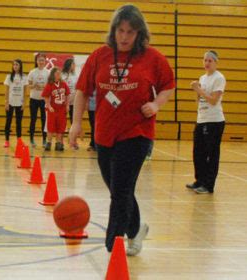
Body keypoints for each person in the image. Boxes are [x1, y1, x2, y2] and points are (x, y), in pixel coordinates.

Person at [69, 4, 175, 255]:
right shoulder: (99, 56)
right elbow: (83, 90)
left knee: (121, 190)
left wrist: (155, 104)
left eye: (131, 32)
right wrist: (75, 123)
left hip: (137, 133)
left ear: (140, 34)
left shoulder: (152, 58)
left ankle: (113, 243)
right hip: (105, 133)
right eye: (121, 30)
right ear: (114, 30)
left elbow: (168, 85)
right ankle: (137, 228)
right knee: (117, 187)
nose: (125, 37)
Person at [186, 50, 226, 194]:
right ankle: (199, 180)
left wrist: (199, 90)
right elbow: (199, 101)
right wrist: (197, 91)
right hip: (201, 119)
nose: (207, 63)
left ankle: (209, 185)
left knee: (211, 153)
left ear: (215, 62)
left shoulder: (219, 78)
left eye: (210, 60)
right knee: (198, 152)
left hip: (214, 121)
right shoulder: (202, 78)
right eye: (205, 60)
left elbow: (214, 101)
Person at [42, 67, 70, 152]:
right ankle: (48, 142)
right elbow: (46, 96)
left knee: (60, 127)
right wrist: (49, 106)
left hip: (61, 109)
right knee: (50, 126)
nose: (59, 75)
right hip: (52, 109)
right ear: (53, 75)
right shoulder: (49, 84)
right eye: (57, 73)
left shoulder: (63, 84)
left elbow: (67, 94)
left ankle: (58, 143)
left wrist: (67, 105)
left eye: (59, 73)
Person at [3, 59, 28, 148]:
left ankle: (19, 140)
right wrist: (6, 102)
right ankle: (6, 140)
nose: (15, 66)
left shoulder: (24, 77)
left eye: (17, 65)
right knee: (8, 121)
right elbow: (6, 90)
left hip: (19, 102)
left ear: (20, 66)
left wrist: (24, 102)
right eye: (14, 65)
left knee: (19, 122)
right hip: (10, 102)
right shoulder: (9, 76)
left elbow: (25, 91)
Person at [28, 53, 49, 147]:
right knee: (33, 119)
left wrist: (45, 87)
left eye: (42, 60)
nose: (41, 62)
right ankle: (31, 139)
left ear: (45, 62)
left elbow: (50, 86)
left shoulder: (48, 72)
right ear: (36, 61)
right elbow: (28, 86)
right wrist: (34, 86)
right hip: (33, 99)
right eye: (39, 60)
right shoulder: (32, 72)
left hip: (43, 100)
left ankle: (44, 140)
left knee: (44, 120)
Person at [61, 58, 78, 126]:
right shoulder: (62, 75)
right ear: (69, 65)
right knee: (62, 119)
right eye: (73, 64)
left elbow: (76, 88)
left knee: (73, 119)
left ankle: (72, 135)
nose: (74, 66)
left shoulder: (75, 75)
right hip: (63, 101)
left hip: (72, 101)